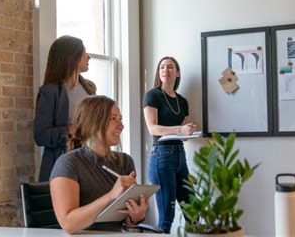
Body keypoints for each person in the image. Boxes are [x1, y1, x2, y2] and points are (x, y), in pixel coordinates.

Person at [50, 95, 148, 234]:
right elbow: (68, 223)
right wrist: (111, 196)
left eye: (120, 118)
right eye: (113, 118)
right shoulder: (68, 163)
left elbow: (125, 223)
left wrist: (135, 218)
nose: (121, 125)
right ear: (93, 123)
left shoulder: (125, 162)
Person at [142, 56, 196, 233]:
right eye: (162, 67)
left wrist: (188, 131)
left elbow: (182, 134)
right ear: (159, 73)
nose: (166, 70)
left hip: (180, 154)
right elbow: (153, 129)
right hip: (162, 156)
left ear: (178, 73)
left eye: (170, 67)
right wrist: (180, 130)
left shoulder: (182, 101)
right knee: (167, 216)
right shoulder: (153, 95)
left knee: (193, 211)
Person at [33, 35, 96, 181]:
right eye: (83, 53)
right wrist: (71, 129)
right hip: (64, 165)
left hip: (91, 161)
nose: (88, 57)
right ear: (71, 57)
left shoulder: (90, 88)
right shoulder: (50, 92)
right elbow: (40, 135)